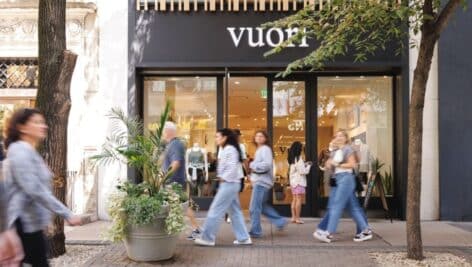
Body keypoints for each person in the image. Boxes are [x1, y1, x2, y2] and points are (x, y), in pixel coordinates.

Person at [2, 108, 82, 266]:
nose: (43, 126)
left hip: (31, 224)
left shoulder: (29, 151)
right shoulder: (20, 151)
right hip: (22, 224)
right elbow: (35, 190)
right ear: (22, 127)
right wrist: (66, 213)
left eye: (43, 122)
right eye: (37, 122)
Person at [194, 128, 251, 246]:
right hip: (231, 183)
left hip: (229, 184)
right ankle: (244, 238)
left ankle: (207, 238)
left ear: (225, 137)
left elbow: (231, 168)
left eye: (217, 136)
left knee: (215, 210)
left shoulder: (229, 149)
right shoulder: (228, 148)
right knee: (235, 212)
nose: (216, 139)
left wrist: (223, 178)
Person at [313, 130, 372, 243]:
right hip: (339, 180)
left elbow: (352, 164)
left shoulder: (347, 149)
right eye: (337, 136)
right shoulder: (336, 151)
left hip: (346, 179)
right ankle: (365, 231)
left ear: (346, 138)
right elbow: (327, 165)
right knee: (353, 208)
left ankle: (328, 233)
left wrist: (338, 164)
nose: (339, 137)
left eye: (341, 135)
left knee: (336, 206)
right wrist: (330, 152)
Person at [162, 122, 201, 241]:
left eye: (163, 130)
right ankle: (195, 229)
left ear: (168, 131)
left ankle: (196, 229)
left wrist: (163, 177)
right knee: (181, 206)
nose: (162, 133)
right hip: (173, 181)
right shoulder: (171, 145)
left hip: (174, 181)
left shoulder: (175, 145)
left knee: (182, 206)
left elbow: (176, 163)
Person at [248, 130, 288, 238]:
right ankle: (280, 221)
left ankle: (256, 231)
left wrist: (252, 165)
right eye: (257, 136)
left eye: (261, 136)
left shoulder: (265, 149)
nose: (258, 137)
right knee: (262, 206)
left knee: (254, 208)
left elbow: (266, 165)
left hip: (261, 183)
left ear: (265, 138)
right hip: (261, 182)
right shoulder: (260, 149)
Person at [287, 141, 312, 224]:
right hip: (299, 182)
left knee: (294, 199)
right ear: (299, 149)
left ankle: (293, 217)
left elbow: (296, 169)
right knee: (298, 200)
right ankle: (298, 218)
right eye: (301, 147)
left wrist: (304, 164)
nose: (302, 149)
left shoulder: (292, 159)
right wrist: (308, 166)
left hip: (293, 182)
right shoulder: (299, 158)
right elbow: (303, 172)